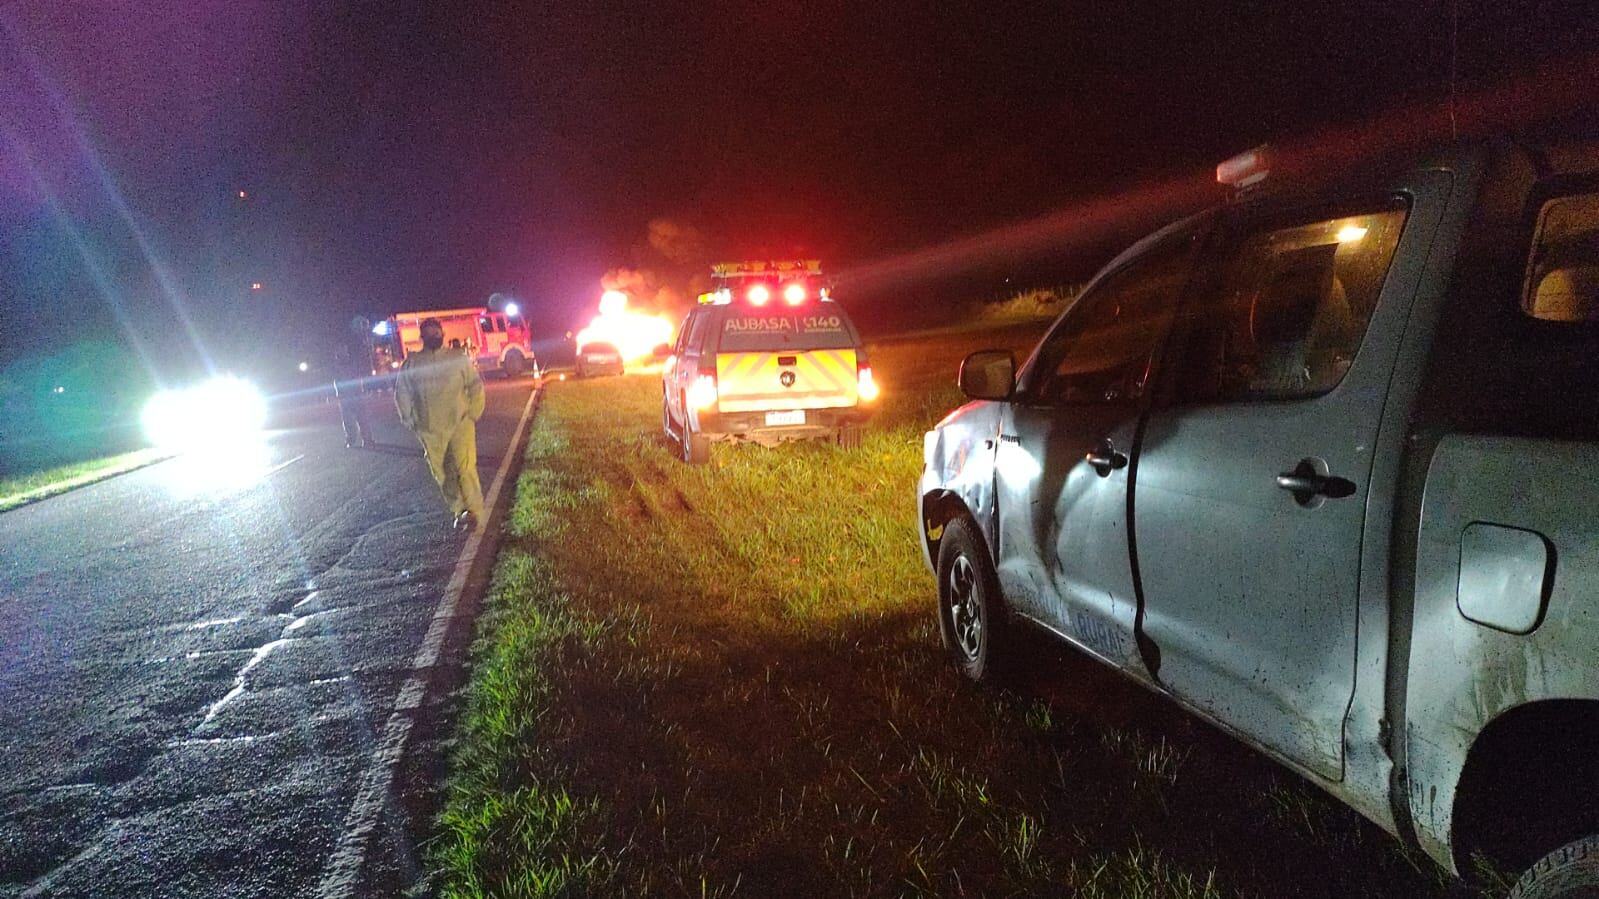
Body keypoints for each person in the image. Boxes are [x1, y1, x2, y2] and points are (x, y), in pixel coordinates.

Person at [395, 318, 486, 531]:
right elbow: (402, 393)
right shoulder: (412, 364)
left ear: (443, 334)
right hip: (430, 429)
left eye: (437, 333)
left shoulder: (458, 358)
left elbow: (475, 385)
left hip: (460, 424)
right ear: (422, 338)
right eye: (429, 334)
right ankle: (459, 510)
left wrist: (474, 412)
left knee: (465, 468)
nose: (434, 336)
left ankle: (475, 512)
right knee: (443, 474)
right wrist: (409, 420)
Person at [333, 317, 375, 448]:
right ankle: (351, 439)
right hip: (345, 396)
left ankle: (367, 440)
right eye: (340, 350)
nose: (342, 352)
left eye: (344, 349)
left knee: (362, 418)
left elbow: (363, 366)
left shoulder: (353, 362)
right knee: (348, 420)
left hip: (356, 393)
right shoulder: (335, 366)